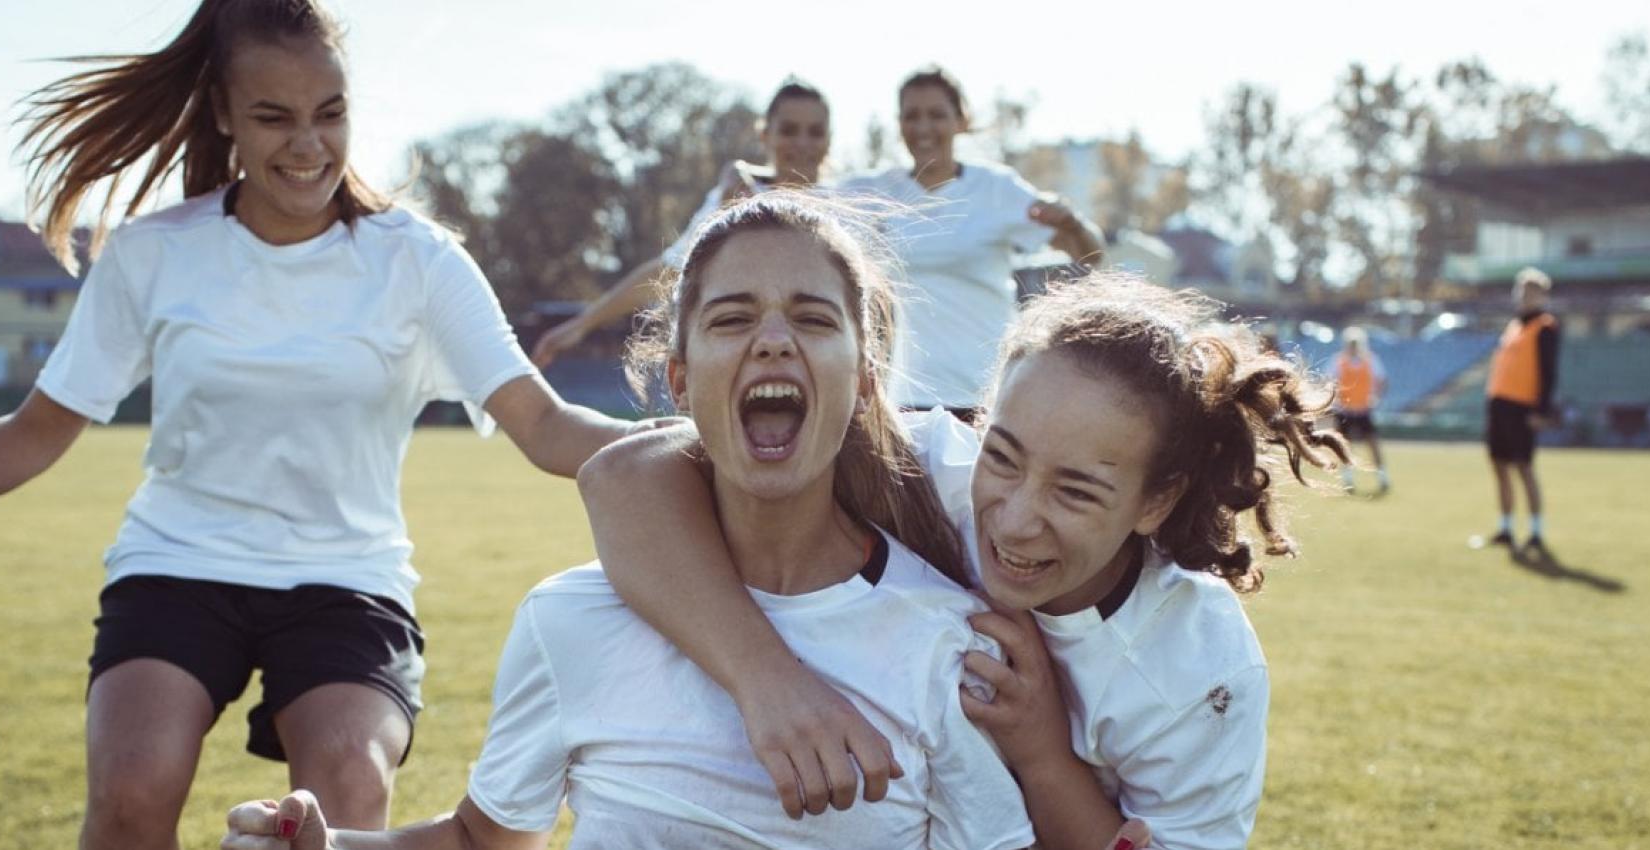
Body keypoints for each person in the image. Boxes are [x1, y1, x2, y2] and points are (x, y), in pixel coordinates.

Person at [0, 1, 644, 845]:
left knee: (344, 792)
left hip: (347, 578)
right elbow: (39, 428)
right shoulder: (154, 253)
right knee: (131, 791)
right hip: (177, 563)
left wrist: (686, 447)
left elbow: (544, 423)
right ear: (225, 114)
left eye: (330, 114)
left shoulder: (419, 261)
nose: (309, 145)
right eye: (274, 117)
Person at [222, 192, 1086, 849]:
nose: (774, 341)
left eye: (814, 318)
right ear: (679, 383)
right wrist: (327, 844)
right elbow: (482, 839)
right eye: (733, 318)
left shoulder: (948, 642)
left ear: (865, 381)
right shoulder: (568, 621)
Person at [578, 272, 1347, 849]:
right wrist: (768, 682)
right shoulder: (924, 471)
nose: (1013, 520)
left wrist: (1043, 754)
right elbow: (624, 476)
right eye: (1003, 456)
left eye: (1076, 492)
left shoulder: (1199, 665)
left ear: (1155, 501)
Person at [840, 66, 1104, 418]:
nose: (922, 128)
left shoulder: (995, 188)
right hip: (899, 396)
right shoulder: (873, 191)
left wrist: (1072, 221)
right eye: (911, 116)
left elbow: (1090, 255)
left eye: (936, 115)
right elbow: (793, 195)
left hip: (985, 393)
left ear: (960, 121)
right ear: (898, 122)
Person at [529, 78, 835, 366]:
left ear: (829, 139)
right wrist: (582, 325)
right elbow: (671, 269)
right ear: (764, 134)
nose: (802, 142)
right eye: (789, 130)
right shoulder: (733, 196)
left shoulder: (853, 202)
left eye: (815, 132)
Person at [1479, 267, 1560, 553]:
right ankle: (1505, 528)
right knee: (1499, 466)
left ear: (1542, 295)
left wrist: (1541, 410)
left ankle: (1536, 532)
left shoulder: (1546, 326)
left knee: (1524, 467)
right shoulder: (1513, 326)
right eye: (1522, 291)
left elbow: (1548, 372)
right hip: (1499, 405)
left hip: (1522, 407)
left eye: (1531, 292)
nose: (1525, 297)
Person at [1333, 326, 1390, 495]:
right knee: (1345, 448)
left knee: (1373, 445)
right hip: (1344, 411)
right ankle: (1348, 480)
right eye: (1351, 344)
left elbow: (1382, 381)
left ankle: (1383, 478)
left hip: (1364, 410)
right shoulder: (1338, 362)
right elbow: (1330, 382)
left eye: (1356, 343)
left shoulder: (1371, 361)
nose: (1353, 347)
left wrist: (1376, 398)